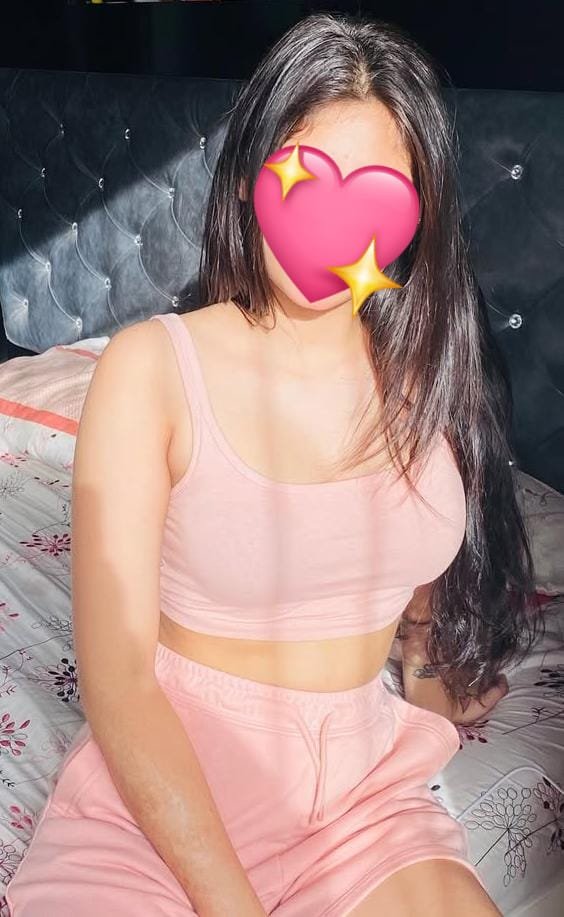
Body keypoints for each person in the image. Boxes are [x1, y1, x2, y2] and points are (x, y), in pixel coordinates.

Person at [6, 11, 543, 917]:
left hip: (362, 805)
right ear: (254, 171)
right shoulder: (152, 369)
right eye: (303, 172)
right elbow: (120, 682)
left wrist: (429, 678)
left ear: (415, 218)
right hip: (164, 810)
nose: (331, 220)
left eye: (373, 194)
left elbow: (412, 572)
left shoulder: (426, 377)